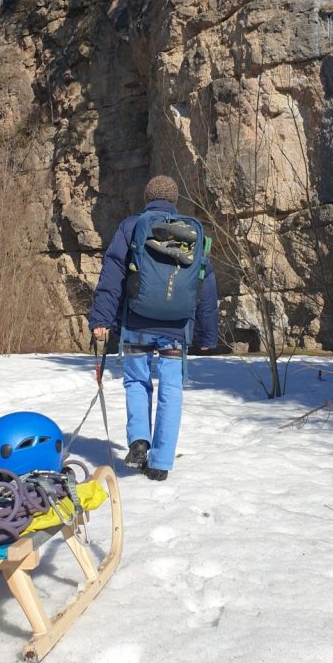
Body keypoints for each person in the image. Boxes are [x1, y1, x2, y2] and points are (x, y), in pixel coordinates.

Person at [89, 175, 219, 481]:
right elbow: (206, 285)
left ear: (147, 198)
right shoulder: (193, 232)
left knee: (136, 382)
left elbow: (113, 276)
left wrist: (101, 320)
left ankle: (139, 440)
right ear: (174, 201)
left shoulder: (132, 226)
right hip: (176, 327)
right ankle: (160, 463)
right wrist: (206, 334)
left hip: (137, 321)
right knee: (171, 389)